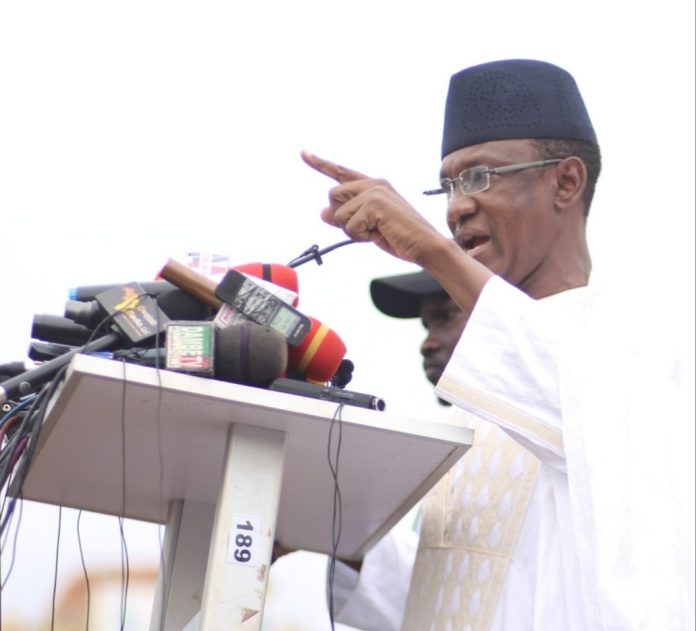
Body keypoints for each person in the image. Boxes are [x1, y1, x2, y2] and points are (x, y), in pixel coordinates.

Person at [303, 59, 694, 630]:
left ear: (566, 182)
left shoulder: (644, 338)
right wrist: (330, 530)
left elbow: (572, 393)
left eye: (480, 177)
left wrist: (434, 252)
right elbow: (454, 592)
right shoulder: (480, 398)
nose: (456, 207)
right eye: (448, 185)